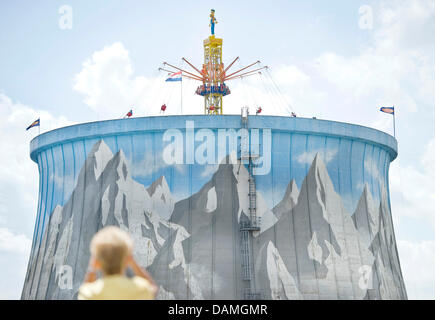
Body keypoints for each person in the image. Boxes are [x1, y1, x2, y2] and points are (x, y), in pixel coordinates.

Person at [78, 226, 158, 300]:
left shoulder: (90, 293)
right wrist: (133, 263)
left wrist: (92, 268)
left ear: (96, 262)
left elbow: (85, 289)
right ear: (127, 260)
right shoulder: (140, 289)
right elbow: (152, 287)